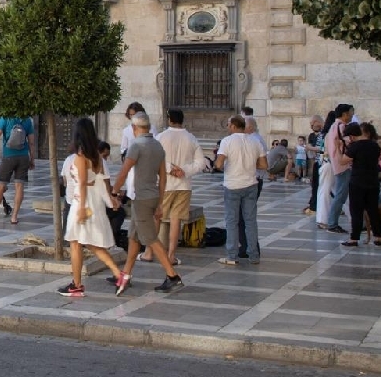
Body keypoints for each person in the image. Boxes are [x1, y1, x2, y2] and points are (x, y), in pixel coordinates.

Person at [114, 112, 183, 294]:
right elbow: (163, 178)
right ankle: (126, 275)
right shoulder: (158, 146)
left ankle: (172, 276)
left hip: (141, 199)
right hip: (153, 196)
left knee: (151, 238)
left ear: (134, 128)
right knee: (134, 236)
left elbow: (124, 171)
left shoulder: (136, 146)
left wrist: (114, 191)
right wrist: (160, 203)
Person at [58, 117, 126, 297]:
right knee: (87, 242)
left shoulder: (80, 159)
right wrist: (110, 200)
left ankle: (77, 284)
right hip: (92, 202)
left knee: (76, 243)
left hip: (81, 203)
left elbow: (81, 184)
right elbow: (101, 184)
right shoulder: (96, 158)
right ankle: (116, 274)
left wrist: (80, 209)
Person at [215, 114, 268, 266]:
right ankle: (254, 255)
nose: (227, 127)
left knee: (232, 221)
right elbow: (264, 165)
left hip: (232, 185)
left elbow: (218, 164)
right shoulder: (255, 140)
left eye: (228, 125)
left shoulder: (227, 141)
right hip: (251, 183)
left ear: (233, 126)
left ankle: (232, 256)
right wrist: (250, 164)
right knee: (250, 221)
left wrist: (226, 162)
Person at [155, 108, 204, 266]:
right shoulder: (191, 138)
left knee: (158, 217)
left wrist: (170, 168)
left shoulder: (161, 137)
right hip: (184, 185)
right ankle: (171, 255)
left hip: (165, 184)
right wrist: (185, 171)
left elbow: (155, 159)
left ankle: (152, 251)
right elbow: (201, 163)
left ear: (169, 119)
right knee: (176, 220)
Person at [0, 112, 34, 224]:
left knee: (1, 185)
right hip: (23, 157)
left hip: (9, 156)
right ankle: (14, 217)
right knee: (19, 185)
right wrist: (32, 159)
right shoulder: (27, 120)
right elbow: (31, 143)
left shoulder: (5, 118)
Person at [342, 121, 381, 247]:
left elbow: (343, 161)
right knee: (373, 210)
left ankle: (354, 238)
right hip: (373, 181)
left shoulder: (355, 146)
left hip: (357, 181)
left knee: (356, 211)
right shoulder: (375, 146)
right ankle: (377, 237)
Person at [317, 105, 354, 233]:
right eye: (350, 113)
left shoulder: (333, 127)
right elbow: (347, 144)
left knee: (341, 194)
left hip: (335, 163)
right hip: (342, 164)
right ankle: (332, 223)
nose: (351, 116)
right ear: (344, 114)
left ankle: (351, 220)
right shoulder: (341, 127)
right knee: (340, 195)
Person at [302, 115, 325, 215]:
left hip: (323, 162)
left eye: (312, 124)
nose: (311, 127)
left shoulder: (324, 133)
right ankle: (314, 205)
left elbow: (322, 148)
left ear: (317, 122)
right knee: (316, 185)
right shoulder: (313, 135)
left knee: (320, 186)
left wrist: (310, 148)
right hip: (317, 161)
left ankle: (315, 207)